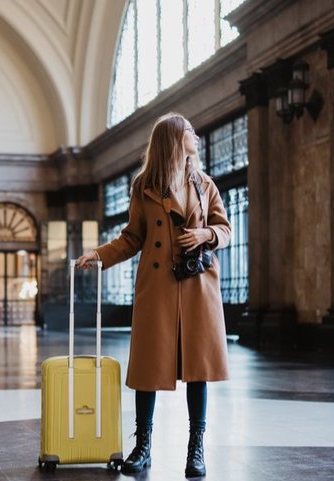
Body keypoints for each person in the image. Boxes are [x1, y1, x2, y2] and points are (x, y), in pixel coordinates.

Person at [76, 113, 231, 477]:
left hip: (197, 285)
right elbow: (132, 237)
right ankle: (142, 447)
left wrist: (205, 235)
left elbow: (225, 228)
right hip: (158, 287)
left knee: (198, 369)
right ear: (174, 139)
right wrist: (98, 254)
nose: (195, 134)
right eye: (189, 131)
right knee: (148, 368)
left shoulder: (204, 184)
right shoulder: (144, 185)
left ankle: (196, 449)